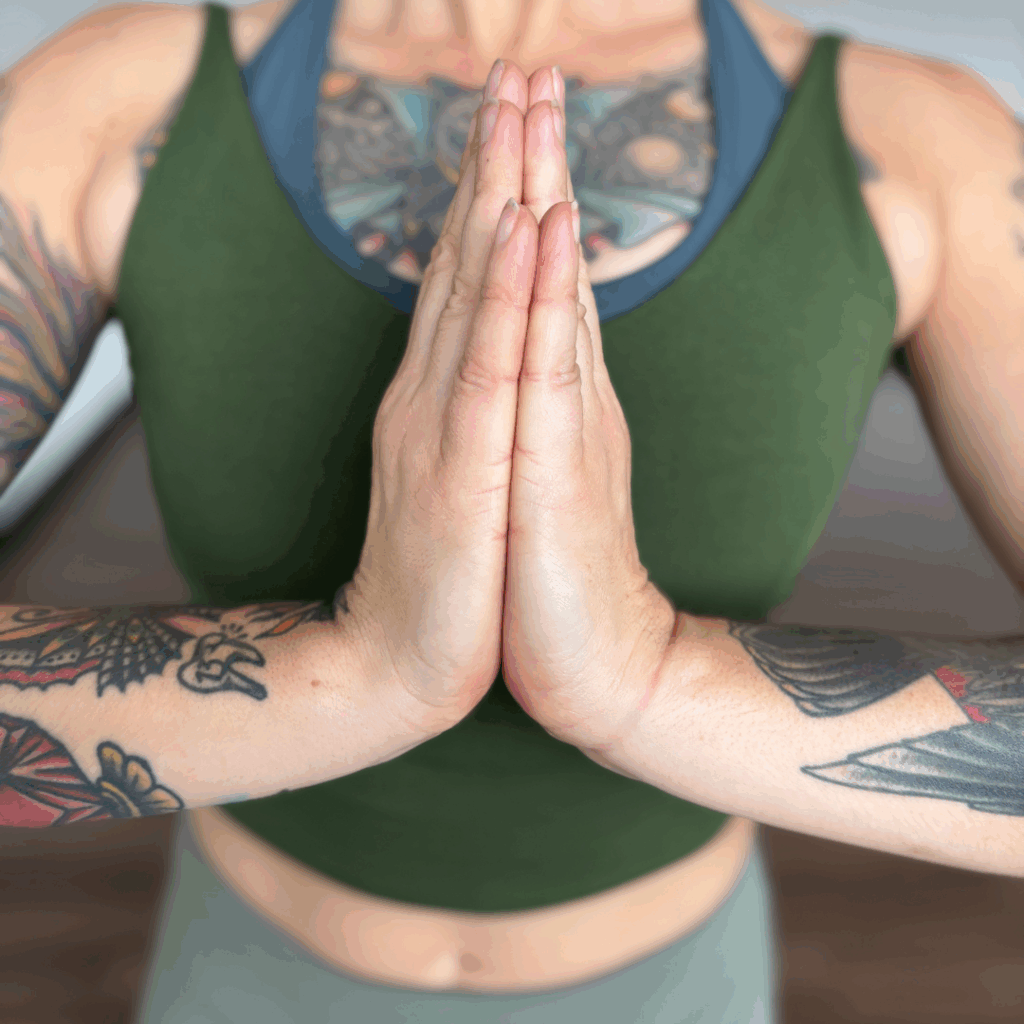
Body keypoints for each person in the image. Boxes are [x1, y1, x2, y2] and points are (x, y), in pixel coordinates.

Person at [0, 0, 1021, 1020]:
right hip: (242, 971)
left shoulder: (916, 140)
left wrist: (645, 679)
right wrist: (358, 674)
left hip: (673, 985)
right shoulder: (114, 98)